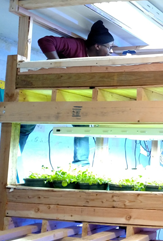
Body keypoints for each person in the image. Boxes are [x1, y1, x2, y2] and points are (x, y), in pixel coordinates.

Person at [19, 20, 114, 167]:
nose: (110, 51)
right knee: (25, 126)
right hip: (44, 90)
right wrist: (58, 67)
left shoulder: (95, 62)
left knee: (81, 125)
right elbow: (45, 41)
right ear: (97, 46)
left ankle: (81, 167)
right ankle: (9, 161)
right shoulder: (76, 46)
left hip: (68, 94)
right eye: (109, 47)